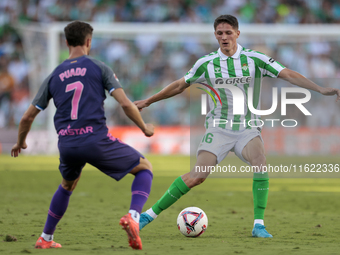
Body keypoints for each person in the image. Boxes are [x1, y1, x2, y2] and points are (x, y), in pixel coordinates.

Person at [134, 14, 340, 238]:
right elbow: (179, 86)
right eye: (220, 33)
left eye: (228, 32)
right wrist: (148, 100)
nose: (224, 37)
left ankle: (258, 225)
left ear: (237, 34)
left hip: (247, 128)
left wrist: (320, 89)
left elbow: (287, 74)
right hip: (219, 128)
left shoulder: (255, 59)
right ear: (215, 35)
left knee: (260, 162)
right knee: (197, 176)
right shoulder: (206, 64)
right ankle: (148, 215)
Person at [11, 21, 154, 250]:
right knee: (144, 168)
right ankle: (134, 217)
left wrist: (21, 142)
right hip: (95, 140)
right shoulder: (99, 67)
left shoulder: (54, 75)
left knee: (68, 185)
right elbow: (125, 104)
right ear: (89, 41)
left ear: (66, 42)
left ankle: (45, 238)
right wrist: (144, 127)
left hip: (67, 144)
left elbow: (27, 117)